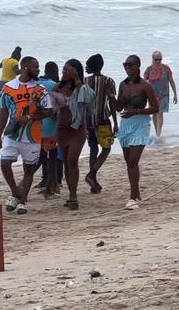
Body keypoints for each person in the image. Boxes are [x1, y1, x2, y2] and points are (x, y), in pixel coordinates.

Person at [0, 56, 52, 215]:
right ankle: (15, 193)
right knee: (5, 164)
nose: (38, 70)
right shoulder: (8, 87)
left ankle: (22, 201)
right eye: (35, 67)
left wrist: (30, 117)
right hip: (12, 134)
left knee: (29, 170)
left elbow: (49, 110)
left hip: (33, 136)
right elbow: (3, 112)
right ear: (25, 68)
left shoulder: (40, 89)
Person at [114, 55, 160, 209]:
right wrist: (110, 97)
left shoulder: (145, 86)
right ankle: (136, 194)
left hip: (141, 124)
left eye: (131, 65)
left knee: (133, 160)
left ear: (138, 66)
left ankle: (133, 197)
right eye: (125, 65)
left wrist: (137, 111)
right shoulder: (123, 85)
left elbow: (155, 108)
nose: (128, 68)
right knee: (129, 162)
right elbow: (119, 107)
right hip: (126, 124)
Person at [51, 59, 94, 210]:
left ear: (75, 71)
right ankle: (71, 193)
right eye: (63, 70)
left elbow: (88, 102)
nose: (63, 72)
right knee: (66, 163)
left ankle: (73, 196)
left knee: (72, 160)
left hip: (78, 129)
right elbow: (52, 110)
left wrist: (77, 80)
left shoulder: (82, 88)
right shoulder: (57, 87)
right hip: (62, 129)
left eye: (66, 70)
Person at [84, 54, 118, 194]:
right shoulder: (108, 81)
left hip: (88, 120)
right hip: (103, 120)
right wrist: (115, 122)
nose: (85, 67)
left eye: (87, 65)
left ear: (91, 67)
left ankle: (93, 182)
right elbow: (112, 103)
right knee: (106, 148)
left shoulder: (84, 81)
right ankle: (92, 175)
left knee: (93, 149)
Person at [37, 61, 61, 200]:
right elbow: (55, 108)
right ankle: (52, 187)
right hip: (50, 127)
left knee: (38, 158)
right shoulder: (53, 85)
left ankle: (43, 183)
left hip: (36, 127)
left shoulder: (36, 84)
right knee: (52, 158)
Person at [144, 51, 178, 138]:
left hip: (163, 94)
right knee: (154, 113)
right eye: (156, 59)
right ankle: (156, 132)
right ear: (153, 60)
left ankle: (159, 133)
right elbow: (144, 83)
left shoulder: (166, 68)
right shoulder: (149, 69)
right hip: (152, 94)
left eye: (160, 59)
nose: (158, 61)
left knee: (160, 113)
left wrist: (175, 93)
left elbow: (171, 81)